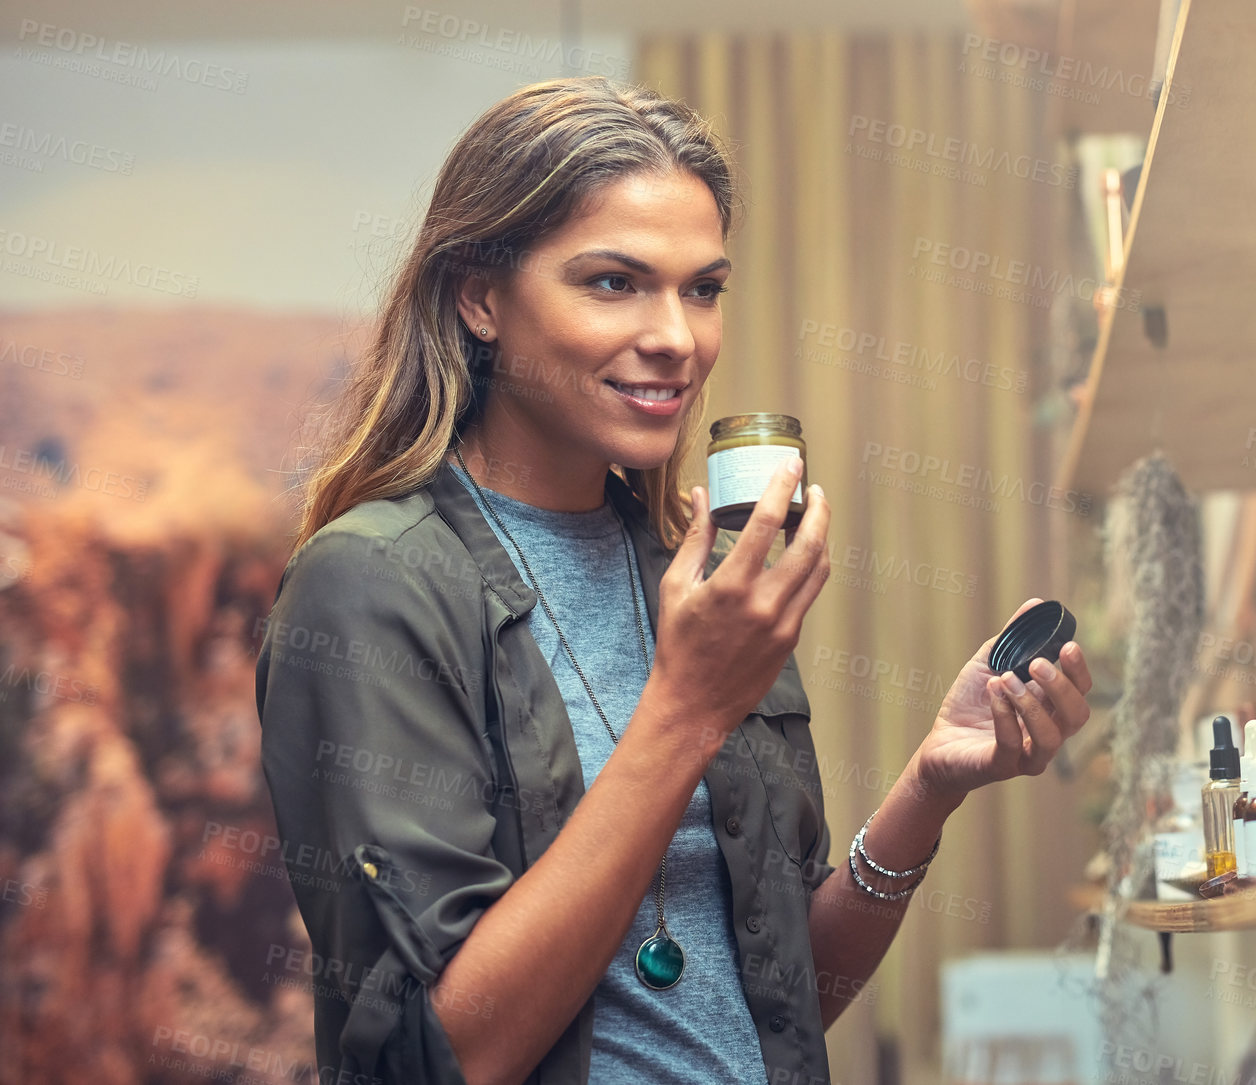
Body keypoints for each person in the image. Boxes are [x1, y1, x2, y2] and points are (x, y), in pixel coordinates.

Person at [254, 76, 1092, 1085]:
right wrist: (691, 705)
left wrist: (930, 784)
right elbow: (450, 1055)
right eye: (614, 281)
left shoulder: (688, 570)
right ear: (479, 297)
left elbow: (782, 999)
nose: (678, 336)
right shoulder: (370, 583)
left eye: (703, 287)